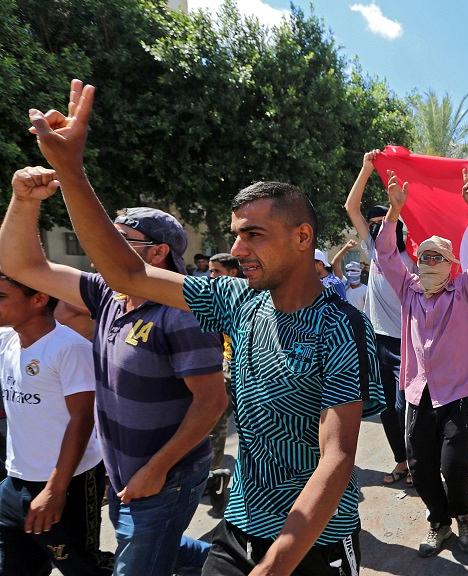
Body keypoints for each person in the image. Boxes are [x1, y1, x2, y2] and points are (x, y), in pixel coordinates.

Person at [21, 79, 383, 575]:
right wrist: (70, 171)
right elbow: (128, 273)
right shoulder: (235, 300)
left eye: (253, 234)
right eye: (236, 235)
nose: (236, 251)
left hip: (312, 544)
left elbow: (337, 458)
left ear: (303, 237)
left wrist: (275, 567)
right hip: (237, 531)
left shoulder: (342, 327)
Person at [2, 173, 226, 575]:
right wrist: (24, 201)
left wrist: (155, 469)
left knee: (136, 561)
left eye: (121, 241)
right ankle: (230, 564)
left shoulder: (184, 312)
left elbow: (212, 402)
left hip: (165, 476)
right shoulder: (108, 293)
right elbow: (22, 265)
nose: (100, 248)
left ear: (157, 253)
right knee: (146, 545)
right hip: (124, 472)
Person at [377, 168, 468, 557]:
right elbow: (386, 254)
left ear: (449, 264)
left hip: (455, 394)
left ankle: (463, 516)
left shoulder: (464, 292)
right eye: (423, 256)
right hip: (417, 395)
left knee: (454, 466)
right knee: (420, 467)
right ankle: (439, 521)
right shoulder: (408, 291)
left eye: (436, 257)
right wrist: (395, 212)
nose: (427, 262)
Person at [0, 274, 111, 575]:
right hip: (15, 483)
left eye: (1, 297)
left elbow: (83, 417)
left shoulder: (69, 348)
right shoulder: (7, 340)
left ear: (38, 300)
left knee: (82, 567)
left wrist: (55, 489)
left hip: (67, 484)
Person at [345, 149, 413, 488]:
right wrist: (366, 169)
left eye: (383, 222)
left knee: (408, 407)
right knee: (387, 407)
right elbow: (350, 207)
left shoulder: (414, 256)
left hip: (410, 343)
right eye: (371, 225)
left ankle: (418, 463)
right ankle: (402, 461)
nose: (374, 228)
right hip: (378, 341)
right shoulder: (373, 249)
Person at [206, 253, 242, 511]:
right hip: (226, 367)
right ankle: (212, 473)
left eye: (216, 271)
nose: (211, 277)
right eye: (210, 271)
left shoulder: (246, 297)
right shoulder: (214, 299)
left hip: (249, 370)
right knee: (216, 422)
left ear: (231, 273)